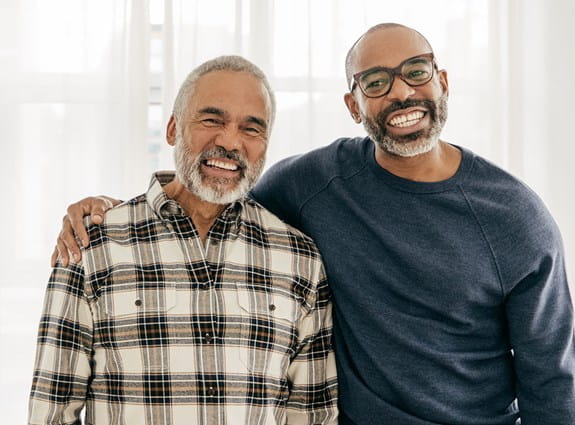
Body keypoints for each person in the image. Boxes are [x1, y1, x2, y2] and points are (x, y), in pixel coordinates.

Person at [51, 23, 575, 424]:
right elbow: (213, 191)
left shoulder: (516, 220)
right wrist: (110, 210)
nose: (400, 93)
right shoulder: (314, 183)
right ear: (353, 105)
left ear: (441, 81)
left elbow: (552, 384)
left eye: (416, 71)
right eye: (376, 81)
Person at [29, 55, 338, 425]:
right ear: (173, 128)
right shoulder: (91, 245)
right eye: (212, 120)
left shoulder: (300, 258)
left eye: (251, 128)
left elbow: (313, 415)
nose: (229, 141)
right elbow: (51, 411)